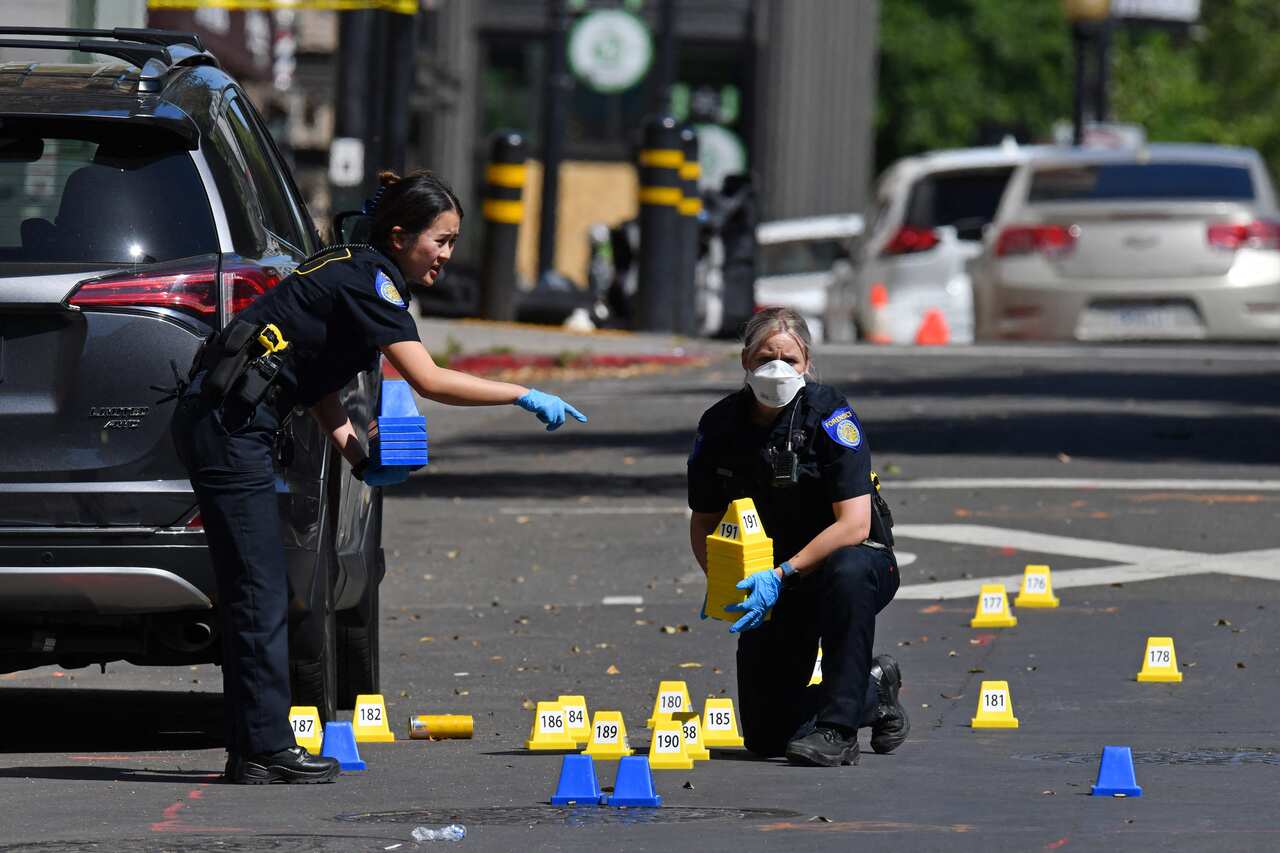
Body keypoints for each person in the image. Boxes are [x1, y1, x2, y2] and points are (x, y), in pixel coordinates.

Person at [172, 170, 586, 784]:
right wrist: (523, 394)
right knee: (259, 590)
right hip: (231, 430)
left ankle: (253, 750)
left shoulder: (355, 270)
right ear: (400, 235)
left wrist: (359, 459)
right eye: (440, 241)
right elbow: (430, 379)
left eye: (451, 242)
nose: (448, 255)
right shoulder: (371, 282)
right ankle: (265, 748)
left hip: (233, 426)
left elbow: (318, 388)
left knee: (259, 588)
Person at [686, 307, 907, 766]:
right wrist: (726, 582)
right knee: (767, 737)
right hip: (774, 583)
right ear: (746, 360)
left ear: (807, 363)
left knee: (848, 570)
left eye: (790, 359)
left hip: (845, 566)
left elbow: (855, 525)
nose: (777, 369)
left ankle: (838, 731)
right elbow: (704, 518)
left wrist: (781, 574)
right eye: (767, 356)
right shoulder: (720, 425)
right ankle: (872, 689)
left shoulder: (830, 416)